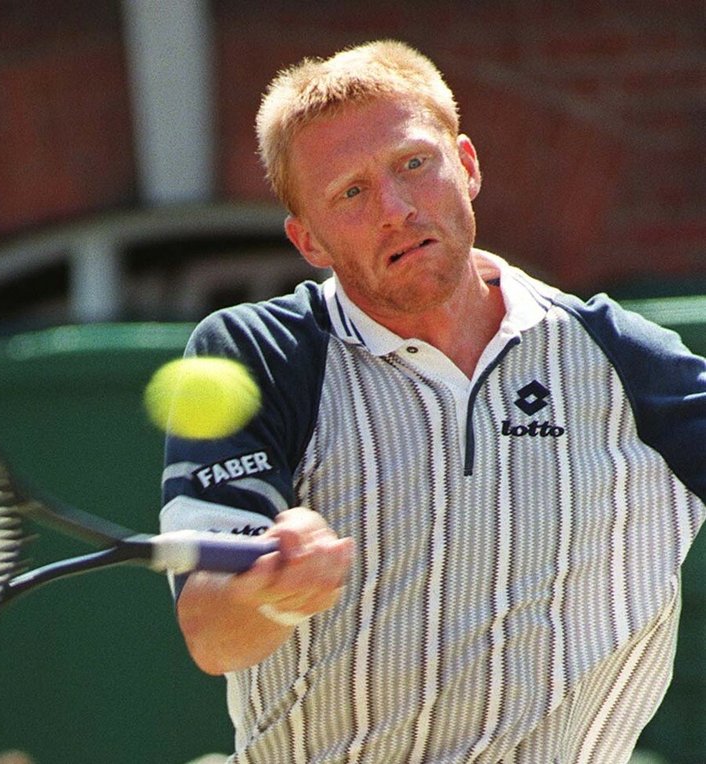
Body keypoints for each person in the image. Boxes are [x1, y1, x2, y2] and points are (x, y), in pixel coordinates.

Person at [158, 39, 706, 763]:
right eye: (350, 193)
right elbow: (212, 630)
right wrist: (272, 591)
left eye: (413, 164)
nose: (395, 208)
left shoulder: (627, 363)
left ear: (467, 166)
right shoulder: (261, 355)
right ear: (309, 241)